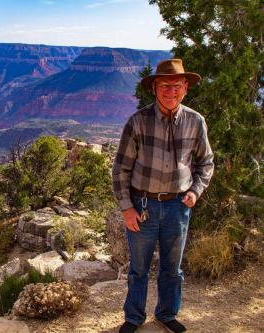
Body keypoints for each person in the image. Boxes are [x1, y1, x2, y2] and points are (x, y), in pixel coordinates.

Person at [112, 59, 214, 333]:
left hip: (178, 207)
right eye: (165, 86)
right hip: (141, 204)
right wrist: (126, 208)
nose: (171, 91)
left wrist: (195, 191)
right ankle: (134, 318)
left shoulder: (195, 121)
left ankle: (167, 314)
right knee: (139, 269)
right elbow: (121, 169)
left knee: (172, 268)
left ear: (186, 88)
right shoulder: (138, 122)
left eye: (177, 86)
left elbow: (206, 163)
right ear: (155, 88)